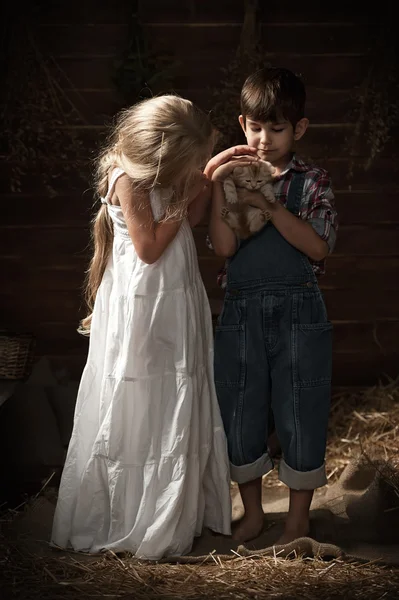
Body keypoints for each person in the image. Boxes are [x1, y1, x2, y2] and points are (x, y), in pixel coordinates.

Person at [51, 95, 235, 560]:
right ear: (162, 158)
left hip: (177, 298)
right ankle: (132, 515)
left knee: (175, 395)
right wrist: (193, 188)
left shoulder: (165, 174)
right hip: (145, 306)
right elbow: (150, 247)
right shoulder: (127, 179)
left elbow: (190, 220)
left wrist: (205, 180)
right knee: (141, 398)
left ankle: (174, 508)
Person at [206, 67, 338, 545]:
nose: (264, 139)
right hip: (241, 311)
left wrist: (273, 206)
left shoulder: (312, 181)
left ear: (298, 128)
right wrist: (224, 191)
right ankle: (255, 512)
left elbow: (319, 248)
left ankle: (299, 518)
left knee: (301, 405)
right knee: (240, 407)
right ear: (243, 124)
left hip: (299, 311)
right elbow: (224, 248)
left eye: (277, 128)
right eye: (256, 127)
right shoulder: (234, 180)